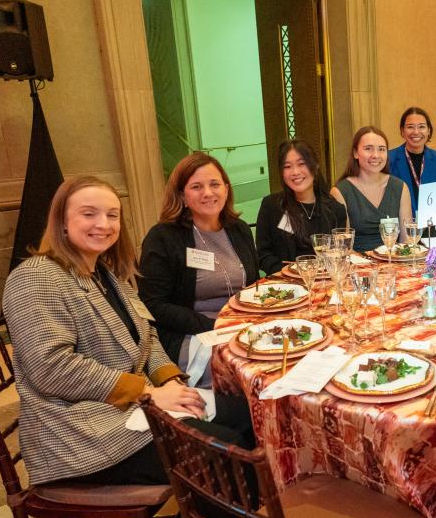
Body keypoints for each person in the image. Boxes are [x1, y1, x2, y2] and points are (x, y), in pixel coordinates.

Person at [1, 176, 254, 516]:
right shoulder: (37, 276)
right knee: (223, 452)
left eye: (112, 215)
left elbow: (147, 337)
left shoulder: (106, 274)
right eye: (89, 214)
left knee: (250, 414)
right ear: (62, 221)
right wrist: (147, 394)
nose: (103, 225)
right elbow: (52, 367)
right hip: (81, 431)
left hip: (131, 407)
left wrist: (170, 381)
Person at [139, 152, 260, 387]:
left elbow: (251, 286)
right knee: (245, 373)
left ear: (226, 189)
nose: (208, 193)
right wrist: (215, 325)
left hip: (241, 327)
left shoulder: (239, 229)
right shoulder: (163, 237)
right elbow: (153, 305)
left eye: (214, 184)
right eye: (196, 186)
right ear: (182, 196)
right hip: (191, 334)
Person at [255, 140, 347, 275]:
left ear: (315, 166)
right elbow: (262, 254)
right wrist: (288, 272)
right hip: (287, 285)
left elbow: (339, 253)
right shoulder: (271, 206)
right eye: (287, 167)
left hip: (325, 282)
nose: (295, 172)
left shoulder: (335, 210)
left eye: (301, 164)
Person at [332, 126, 413, 252]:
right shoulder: (340, 192)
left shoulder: (400, 187)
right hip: (358, 266)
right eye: (368, 149)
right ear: (355, 153)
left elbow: (406, 241)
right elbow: (344, 248)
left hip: (394, 263)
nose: (376, 155)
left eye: (381, 149)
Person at [387, 107, 436, 213]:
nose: (416, 132)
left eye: (422, 127)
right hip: (400, 222)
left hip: (429, 224)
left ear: (429, 130)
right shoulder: (389, 158)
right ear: (402, 131)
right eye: (410, 127)